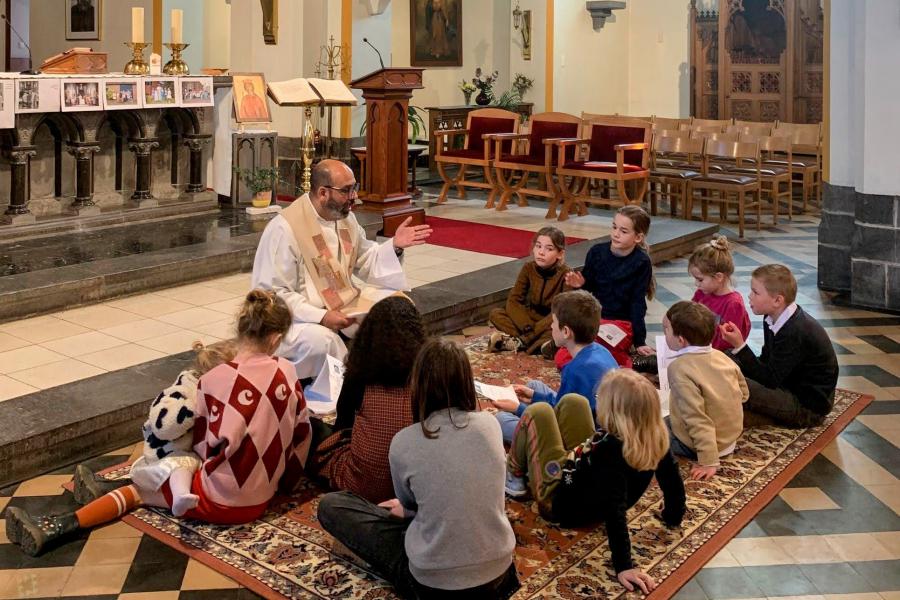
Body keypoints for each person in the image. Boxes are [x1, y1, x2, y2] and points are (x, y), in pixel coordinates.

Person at [6, 290, 312, 556]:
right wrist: (285, 484)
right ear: (274, 338)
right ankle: (102, 486)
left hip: (227, 500)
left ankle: (59, 526)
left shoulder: (216, 380)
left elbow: (203, 447)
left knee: (145, 485)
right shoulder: (287, 370)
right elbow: (301, 434)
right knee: (164, 474)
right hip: (263, 493)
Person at [317, 338, 520, 599]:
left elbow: (408, 505)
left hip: (432, 585)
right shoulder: (490, 426)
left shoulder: (404, 441)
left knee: (333, 507)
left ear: (418, 385)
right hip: (499, 574)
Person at [251, 159, 432, 390]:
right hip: (293, 321)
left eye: (354, 187)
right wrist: (321, 317)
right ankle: (347, 394)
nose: (354, 196)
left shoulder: (346, 219)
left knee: (397, 309)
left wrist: (395, 245)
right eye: (346, 190)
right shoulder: (284, 229)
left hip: (343, 306)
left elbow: (366, 259)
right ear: (323, 193)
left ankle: (404, 383)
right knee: (325, 342)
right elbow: (273, 295)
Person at [505, 369, 685, 594]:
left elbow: (614, 509)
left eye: (601, 400)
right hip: (584, 475)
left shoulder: (610, 451)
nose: (597, 403)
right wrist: (673, 514)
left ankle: (512, 471)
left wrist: (624, 566)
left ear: (614, 412)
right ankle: (548, 444)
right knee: (574, 401)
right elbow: (672, 480)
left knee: (539, 412)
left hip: (562, 501)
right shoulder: (655, 435)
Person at [309, 295, 427, 503]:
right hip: (415, 485)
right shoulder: (428, 374)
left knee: (311, 429)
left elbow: (343, 427)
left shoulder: (361, 376)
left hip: (364, 486)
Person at [719, 264, 839, 428]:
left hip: (807, 407)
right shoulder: (772, 317)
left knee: (735, 383)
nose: (749, 296)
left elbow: (769, 379)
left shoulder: (794, 331)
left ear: (777, 300)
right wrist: (736, 354)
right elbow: (766, 361)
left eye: (755, 292)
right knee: (726, 358)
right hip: (786, 384)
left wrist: (740, 346)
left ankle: (750, 417)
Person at [492, 290, 617, 444]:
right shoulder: (601, 350)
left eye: (554, 322)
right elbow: (563, 404)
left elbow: (559, 424)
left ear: (565, 332)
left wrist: (518, 409)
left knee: (500, 420)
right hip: (588, 420)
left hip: (580, 438)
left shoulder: (575, 370)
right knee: (533, 386)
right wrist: (535, 396)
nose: (551, 326)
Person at [664, 301, 749, 480]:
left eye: (666, 330)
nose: (664, 334)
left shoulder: (679, 368)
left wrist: (708, 460)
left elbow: (695, 417)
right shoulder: (722, 356)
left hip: (701, 446)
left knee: (646, 431)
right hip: (730, 439)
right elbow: (744, 393)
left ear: (681, 340)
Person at [563, 205, 655, 368]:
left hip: (620, 323)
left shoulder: (641, 262)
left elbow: (637, 303)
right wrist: (579, 285)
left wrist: (640, 340)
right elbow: (587, 293)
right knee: (565, 352)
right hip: (595, 319)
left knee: (597, 346)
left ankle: (632, 360)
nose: (616, 234)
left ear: (638, 237)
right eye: (614, 227)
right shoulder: (597, 252)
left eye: (623, 231)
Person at [488, 226, 570, 355]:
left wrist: (532, 332)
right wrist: (525, 326)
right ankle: (535, 345)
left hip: (549, 322)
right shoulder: (528, 268)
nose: (541, 252)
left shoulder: (566, 274)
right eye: (538, 246)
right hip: (528, 322)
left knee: (563, 330)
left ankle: (521, 342)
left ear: (560, 254)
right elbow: (514, 301)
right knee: (496, 314)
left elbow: (559, 312)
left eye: (549, 249)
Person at [688, 234, 750, 352]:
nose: (696, 284)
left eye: (700, 279)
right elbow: (690, 319)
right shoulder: (701, 293)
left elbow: (728, 343)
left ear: (718, 277)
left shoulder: (733, 304)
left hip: (720, 358)